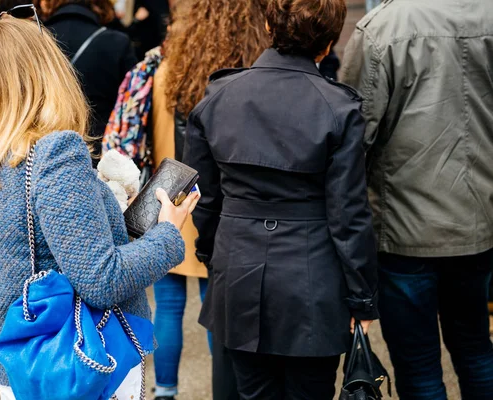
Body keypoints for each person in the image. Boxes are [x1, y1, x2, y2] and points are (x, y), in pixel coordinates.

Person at [0, 15, 198, 399]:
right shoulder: (55, 151)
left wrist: (110, 215)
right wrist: (168, 231)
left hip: (25, 361)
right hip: (82, 361)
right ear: (48, 68)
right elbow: (103, 279)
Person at [183, 0, 380, 398]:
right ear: (327, 43)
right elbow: (349, 215)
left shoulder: (219, 96)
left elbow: (204, 197)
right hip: (314, 280)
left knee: (252, 390)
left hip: (237, 268)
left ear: (270, 27)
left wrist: (211, 255)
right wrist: (362, 298)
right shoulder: (339, 108)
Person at [340, 0, 493, 398]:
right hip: (479, 221)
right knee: (477, 349)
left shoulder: (381, 28)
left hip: (404, 227)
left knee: (419, 366)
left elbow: (354, 136)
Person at [152, 0, 269, 398]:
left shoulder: (169, 71)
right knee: (216, 309)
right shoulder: (250, 74)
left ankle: (164, 391)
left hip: (170, 199)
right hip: (222, 205)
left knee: (167, 304)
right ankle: (227, 387)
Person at [45, 0, 137, 139]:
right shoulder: (117, 43)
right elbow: (130, 107)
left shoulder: (35, 39)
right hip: (100, 149)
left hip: (40, 148)